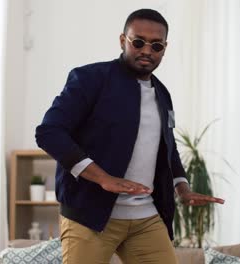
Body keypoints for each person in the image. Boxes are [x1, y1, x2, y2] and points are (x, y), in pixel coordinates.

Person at [35, 8, 224, 264]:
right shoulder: (90, 79)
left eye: (156, 45)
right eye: (138, 42)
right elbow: (49, 132)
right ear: (123, 40)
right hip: (90, 216)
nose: (147, 50)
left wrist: (182, 187)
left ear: (164, 48)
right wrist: (102, 178)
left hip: (145, 218)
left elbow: (168, 148)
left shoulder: (163, 94)